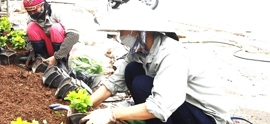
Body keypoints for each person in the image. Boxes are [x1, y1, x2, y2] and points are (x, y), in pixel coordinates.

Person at [79, 12, 233, 124]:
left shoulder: (172, 55)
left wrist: (112, 114)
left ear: (139, 31)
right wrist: (82, 105)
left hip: (206, 117)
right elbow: (113, 83)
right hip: (179, 107)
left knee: (141, 84)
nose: (120, 36)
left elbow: (160, 106)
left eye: (123, 31)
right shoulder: (139, 51)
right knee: (132, 69)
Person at [23, 0, 79, 70]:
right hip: (49, 47)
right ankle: (41, 60)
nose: (32, 13)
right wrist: (31, 51)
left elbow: (74, 35)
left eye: (34, 10)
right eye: (29, 11)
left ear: (42, 5)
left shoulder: (56, 11)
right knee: (31, 27)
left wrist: (57, 57)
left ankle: (61, 63)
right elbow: (27, 36)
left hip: (63, 50)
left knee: (56, 28)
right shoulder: (31, 17)